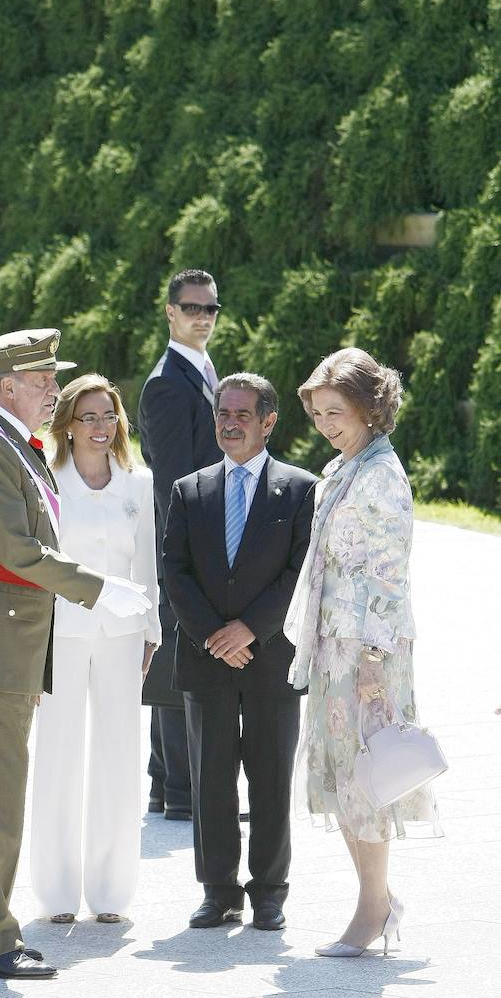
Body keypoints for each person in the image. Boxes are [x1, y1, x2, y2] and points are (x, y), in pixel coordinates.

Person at [0, 328, 151, 980]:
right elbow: (17, 551)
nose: (53, 393)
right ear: (8, 385)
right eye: (44, 383)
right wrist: (99, 590)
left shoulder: (4, 442)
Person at [284, 348, 440, 959]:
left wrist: (374, 660)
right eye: (318, 412)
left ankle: (373, 909)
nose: (325, 422)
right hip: (334, 646)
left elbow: (388, 571)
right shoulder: (344, 467)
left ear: (369, 410)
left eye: (336, 410)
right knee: (343, 773)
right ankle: (377, 899)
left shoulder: (381, 475)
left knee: (366, 777)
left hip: (366, 652)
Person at [162, 374, 315, 931]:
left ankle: (269, 893)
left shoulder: (302, 490)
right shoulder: (190, 489)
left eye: (242, 414)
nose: (229, 423)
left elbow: (302, 574)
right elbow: (173, 571)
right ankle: (218, 890)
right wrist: (213, 636)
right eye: (223, 413)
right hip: (207, 659)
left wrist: (248, 629)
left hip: (272, 658)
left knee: (271, 778)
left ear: (268, 422)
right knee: (210, 779)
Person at [30, 374, 160, 924]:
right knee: (58, 758)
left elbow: (147, 564)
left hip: (122, 638)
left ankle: (110, 892)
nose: (100, 427)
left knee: (116, 758)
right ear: (67, 424)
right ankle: (57, 894)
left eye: (109, 416)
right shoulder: (46, 480)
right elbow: (36, 565)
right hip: (60, 634)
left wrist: (150, 631)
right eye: (88, 417)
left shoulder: (139, 483)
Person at [137, 268, 223, 823]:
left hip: (197, 543)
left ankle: (165, 784)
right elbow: (171, 481)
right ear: (170, 312)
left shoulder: (203, 369)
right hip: (184, 546)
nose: (202, 316)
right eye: (191, 307)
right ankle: (180, 790)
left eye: (211, 308)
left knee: (181, 655)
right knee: (179, 658)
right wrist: (191, 559)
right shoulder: (168, 382)